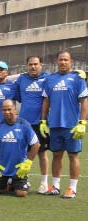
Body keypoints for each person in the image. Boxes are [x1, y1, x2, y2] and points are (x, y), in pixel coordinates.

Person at [41, 51, 88, 199]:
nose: (63, 62)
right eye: (60, 60)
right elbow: (46, 101)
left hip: (72, 125)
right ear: (57, 62)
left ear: (71, 62)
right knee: (56, 155)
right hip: (54, 125)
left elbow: (84, 101)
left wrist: (82, 122)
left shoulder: (78, 78)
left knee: (73, 155)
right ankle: (55, 186)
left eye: (65, 60)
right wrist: (43, 120)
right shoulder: (50, 79)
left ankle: (72, 188)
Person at [13, 56, 51, 193]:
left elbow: (62, 77)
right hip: (24, 123)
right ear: (27, 66)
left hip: (40, 123)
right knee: (22, 152)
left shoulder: (47, 78)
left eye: (36, 64)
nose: (33, 67)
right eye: (30, 64)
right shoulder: (22, 79)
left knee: (42, 153)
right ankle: (22, 178)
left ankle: (44, 182)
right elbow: (9, 87)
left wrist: (77, 73)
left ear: (41, 65)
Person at [0, 100, 40, 197]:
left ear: (15, 110)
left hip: (19, 168)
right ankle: (8, 182)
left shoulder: (24, 125)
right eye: (4, 110)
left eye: (9, 109)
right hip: (2, 167)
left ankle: (20, 181)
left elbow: (36, 144)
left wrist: (28, 163)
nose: (7, 112)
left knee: (21, 193)